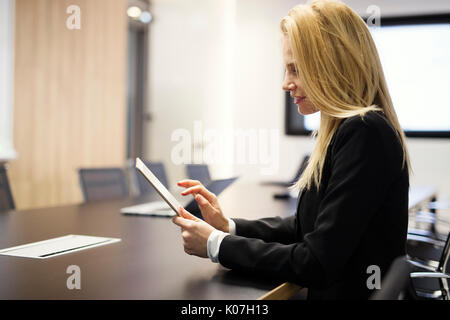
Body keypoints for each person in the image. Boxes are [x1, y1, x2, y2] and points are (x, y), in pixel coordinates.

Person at [172, 0, 410, 300]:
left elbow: (316, 262)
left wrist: (216, 244)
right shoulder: (349, 129)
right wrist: (228, 227)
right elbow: (306, 226)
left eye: (296, 69)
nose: (286, 83)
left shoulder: (364, 132)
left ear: (333, 66)